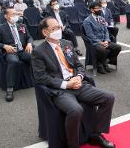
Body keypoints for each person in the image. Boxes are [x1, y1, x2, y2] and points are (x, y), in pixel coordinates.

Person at [32, 17, 116, 148]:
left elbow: (78, 65)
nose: (58, 30)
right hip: (61, 89)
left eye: (59, 27)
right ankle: (73, 145)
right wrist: (66, 84)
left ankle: (95, 134)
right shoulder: (39, 51)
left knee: (109, 98)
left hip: (77, 84)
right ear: (45, 32)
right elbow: (40, 77)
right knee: (76, 110)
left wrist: (80, 77)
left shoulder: (67, 44)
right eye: (54, 29)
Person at [0, 8, 33, 102]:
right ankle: (10, 88)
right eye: (13, 14)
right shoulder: (1, 28)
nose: (15, 16)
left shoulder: (22, 26)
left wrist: (29, 43)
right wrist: (4, 46)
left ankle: (40, 79)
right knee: (13, 61)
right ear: (6, 16)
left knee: (35, 57)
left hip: (22, 50)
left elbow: (29, 37)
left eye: (16, 13)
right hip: (11, 51)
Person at [83, 1, 122, 74]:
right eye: (97, 8)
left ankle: (104, 61)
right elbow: (90, 35)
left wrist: (107, 40)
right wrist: (101, 42)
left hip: (104, 41)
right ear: (92, 10)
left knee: (118, 47)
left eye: (100, 8)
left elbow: (106, 31)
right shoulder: (87, 21)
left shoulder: (101, 18)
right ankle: (100, 64)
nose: (99, 10)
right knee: (103, 50)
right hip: (95, 42)